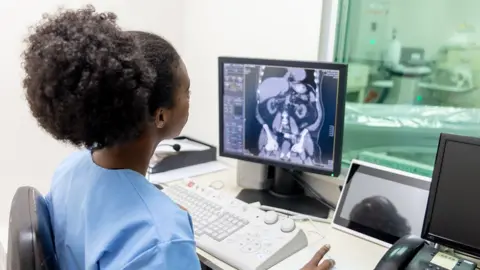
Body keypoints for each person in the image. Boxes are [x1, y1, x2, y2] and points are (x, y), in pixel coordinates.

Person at [22, 5, 336, 270]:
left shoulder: (70, 169)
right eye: (187, 90)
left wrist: (159, 213)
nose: (190, 98)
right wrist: (162, 226)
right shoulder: (160, 239)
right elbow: (152, 242)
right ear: (161, 115)